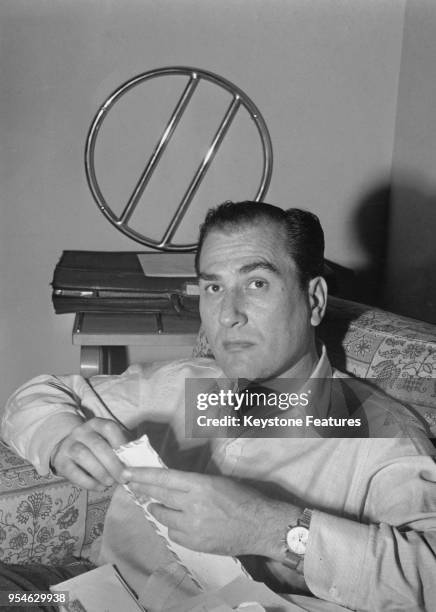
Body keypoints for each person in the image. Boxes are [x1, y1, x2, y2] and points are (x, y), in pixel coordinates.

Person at [1, 201, 436, 612]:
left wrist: (269, 528)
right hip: (87, 595)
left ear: (314, 300)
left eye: (257, 283)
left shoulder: (380, 435)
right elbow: (40, 394)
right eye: (214, 286)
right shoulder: (185, 387)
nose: (228, 314)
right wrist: (61, 438)